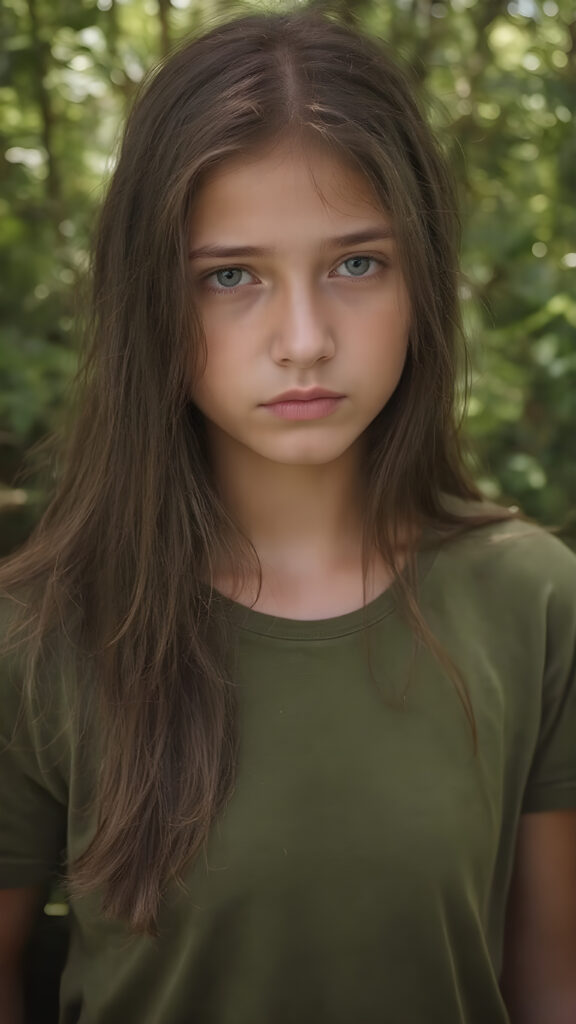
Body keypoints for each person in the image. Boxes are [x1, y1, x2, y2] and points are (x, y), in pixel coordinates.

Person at [1, 8, 575, 1024]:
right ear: (149, 300)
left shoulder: (533, 604)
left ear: (423, 280)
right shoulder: (43, 633)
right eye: (231, 277)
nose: (303, 339)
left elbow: (551, 983)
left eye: (357, 264)